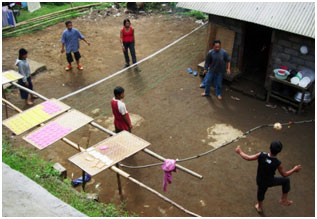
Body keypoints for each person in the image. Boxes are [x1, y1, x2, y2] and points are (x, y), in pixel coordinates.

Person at [235, 141, 301, 213]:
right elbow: (284, 174)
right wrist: (294, 169)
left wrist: (240, 152)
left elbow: (248, 158)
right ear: (279, 151)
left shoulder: (261, 155)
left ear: (269, 148)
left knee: (261, 192)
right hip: (270, 181)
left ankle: (259, 207)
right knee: (286, 180)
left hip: (260, 180)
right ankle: (283, 200)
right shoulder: (277, 163)